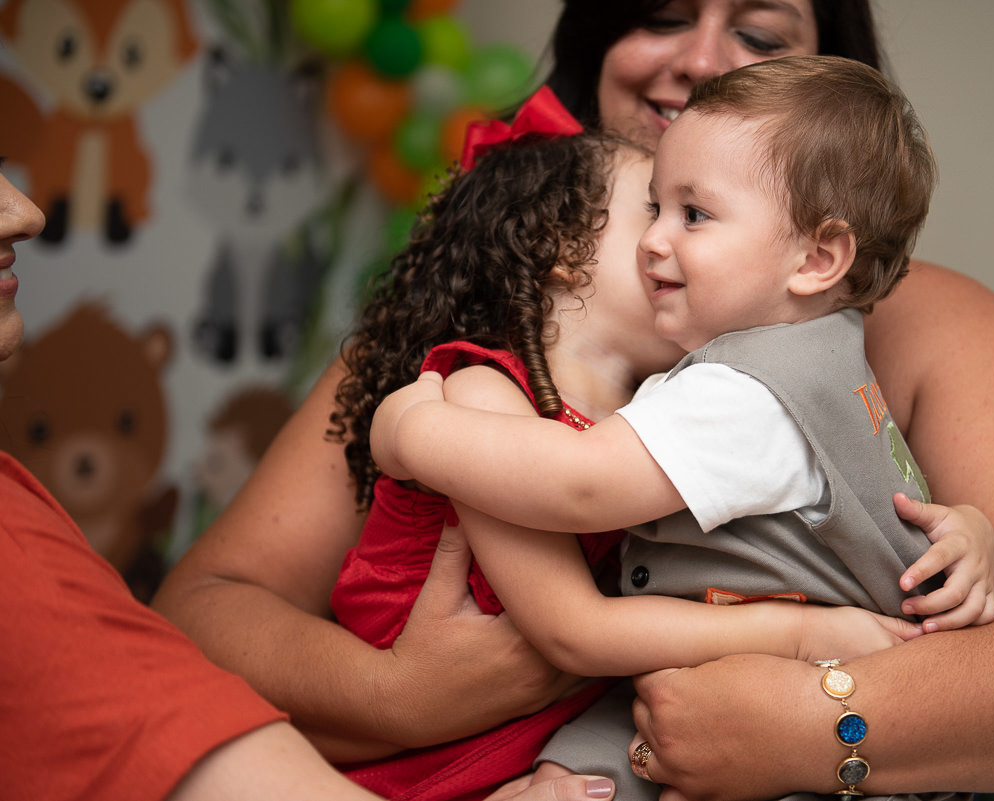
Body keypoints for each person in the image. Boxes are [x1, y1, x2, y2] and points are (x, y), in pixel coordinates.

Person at [154, 0, 994, 797]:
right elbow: (197, 616)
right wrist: (399, 696)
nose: (700, 60)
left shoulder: (911, 330)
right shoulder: (473, 317)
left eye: (757, 30)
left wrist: (826, 717)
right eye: (660, 15)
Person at [372, 55, 994, 801]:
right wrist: (973, 531)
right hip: (720, 689)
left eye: (692, 214)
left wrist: (412, 431)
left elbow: (580, 482)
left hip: (798, 714)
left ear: (817, 257)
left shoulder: (744, 391)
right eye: (655, 206)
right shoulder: (822, 363)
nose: (654, 240)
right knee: (569, 766)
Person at [0, 164, 619, 801]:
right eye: (655, 206)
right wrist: (400, 696)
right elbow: (175, 685)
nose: (26, 212)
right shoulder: (457, 364)